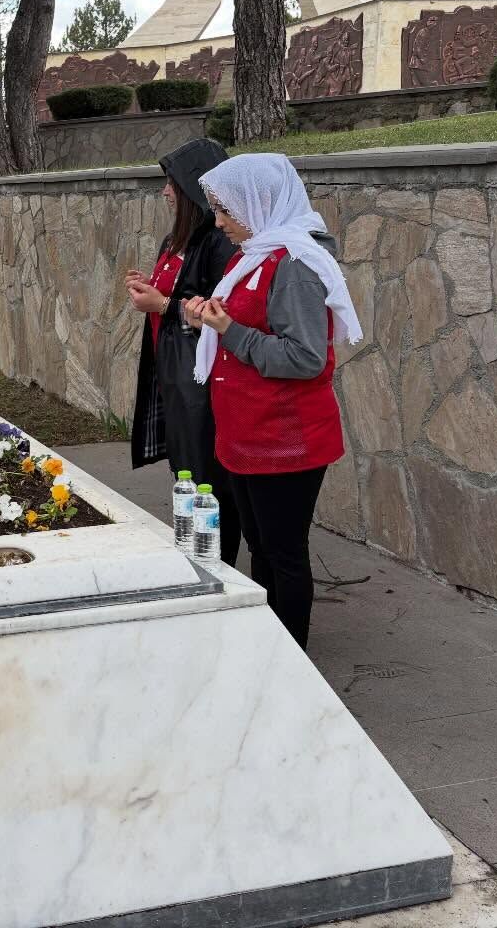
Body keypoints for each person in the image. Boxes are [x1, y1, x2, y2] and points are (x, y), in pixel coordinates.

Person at [182, 154, 362, 649]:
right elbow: (245, 325)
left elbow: (305, 358)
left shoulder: (297, 264)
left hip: (286, 438)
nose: (217, 222)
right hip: (248, 431)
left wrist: (228, 330)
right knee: (261, 546)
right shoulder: (257, 253)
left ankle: (291, 658)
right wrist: (208, 320)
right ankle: (270, 649)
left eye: (224, 210)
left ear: (258, 204)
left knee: (283, 552)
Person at [126, 137, 241, 566]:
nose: (165, 191)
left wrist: (162, 304)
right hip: (174, 379)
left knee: (210, 483)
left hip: (202, 386)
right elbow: (178, 297)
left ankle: (216, 568)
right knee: (187, 476)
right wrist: (153, 292)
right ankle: (193, 559)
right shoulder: (175, 239)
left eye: (170, 182)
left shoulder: (219, 242)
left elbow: (220, 311)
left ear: (192, 187)